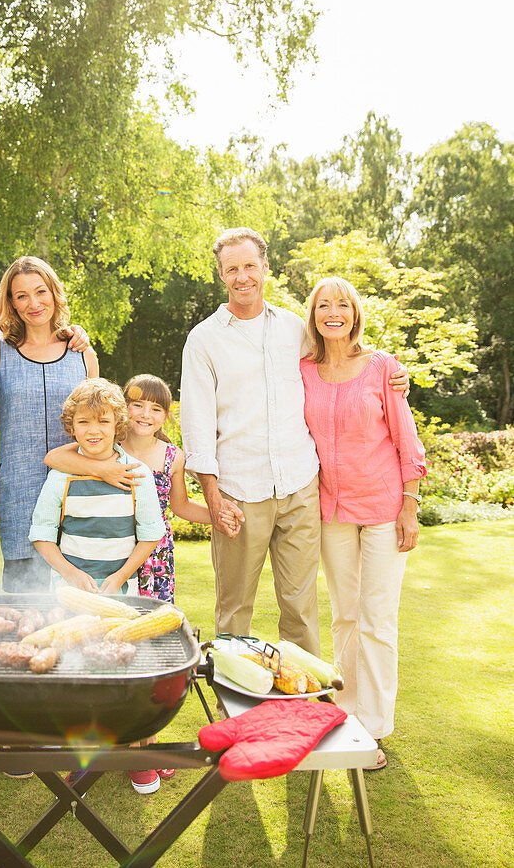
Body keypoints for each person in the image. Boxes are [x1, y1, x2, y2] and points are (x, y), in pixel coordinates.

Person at [179, 227, 409, 652]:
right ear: (221, 275)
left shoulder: (293, 329)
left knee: (301, 611)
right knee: (234, 611)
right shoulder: (204, 339)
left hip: (300, 488)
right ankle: (239, 712)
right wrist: (212, 498)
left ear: (266, 267)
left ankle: (301, 713)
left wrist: (389, 371)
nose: (242, 276)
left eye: (250, 265)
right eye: (232, 269)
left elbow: (340, 354)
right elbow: (196, 425)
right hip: (239, 493)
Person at [299, 276, 425, 771]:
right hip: (331, 510)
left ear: (355, 314)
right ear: (314, 315)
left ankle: (373, 726)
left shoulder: (383, 368)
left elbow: (407, 441)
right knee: (345, 616)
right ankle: (344, 714)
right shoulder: (303, 370)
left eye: (343, 305)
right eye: (324, 304)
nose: (334, 312)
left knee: (377, 619)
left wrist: (410, 506)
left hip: (383, 510)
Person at [30, 377, 167, 796]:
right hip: (68, 593)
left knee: (121, 678)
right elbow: (41, 535)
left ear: (117, 426)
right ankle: (79, 754)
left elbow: (149, 535)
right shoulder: (62, 478)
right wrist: (69, 574)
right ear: (72, 427)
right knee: (75, 674)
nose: (94, 430)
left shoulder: (137, 474)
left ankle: (133, 756)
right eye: (84, 422)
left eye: (103, 422)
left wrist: (120, 578)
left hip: (118, 597)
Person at [45, 373, 238, 603]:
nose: (146, 414)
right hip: (113, 547)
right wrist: (103, 469)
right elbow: (53, 458)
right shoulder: (106, 444)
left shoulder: (172, 457)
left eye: (156, 409)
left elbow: (181, 506)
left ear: (166, 416)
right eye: (137, 405)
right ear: (122, 410)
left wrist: (217, 516)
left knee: (150, 619)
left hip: (154, 552)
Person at [0, 256, 95, 593]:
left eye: (40, 291)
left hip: (78, 491)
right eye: (21, 295)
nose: (33, 303)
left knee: (79, 605)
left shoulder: (81, 352)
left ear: (54, 293)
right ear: (10, 303)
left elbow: (103, 423)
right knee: (25, 607)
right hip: (20, 493)